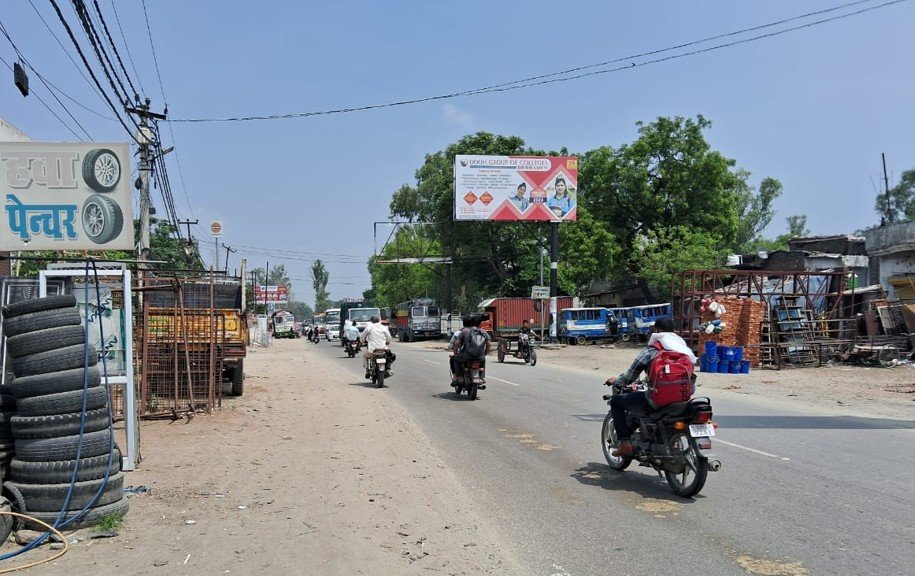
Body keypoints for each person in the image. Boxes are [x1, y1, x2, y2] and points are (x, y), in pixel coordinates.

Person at [604, 316, 696, 457]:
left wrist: (617, 381)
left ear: (656, 330)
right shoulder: (684, 350)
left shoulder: (651, 351)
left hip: (656, 401)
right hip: (682, 400)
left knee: (616, 402)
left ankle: (625, 444)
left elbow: (629, 377)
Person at [451, 314, 491, 384]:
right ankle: (481, 377)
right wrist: (484, 354)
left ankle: (460, 377)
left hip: (467, 356)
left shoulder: (465, 331)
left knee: (455, 359)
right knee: (483, 360)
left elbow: (457, 343)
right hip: (479, 357)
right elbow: (489, 344)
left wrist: (455, 353)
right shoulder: (484, 332)